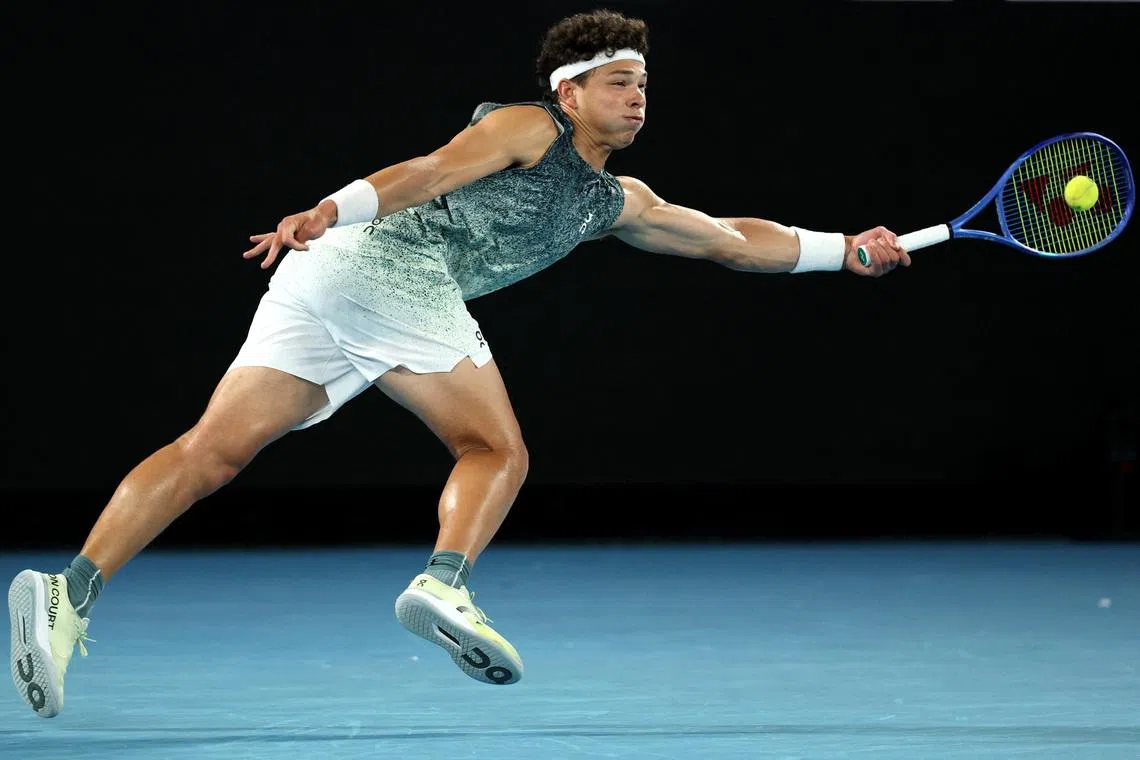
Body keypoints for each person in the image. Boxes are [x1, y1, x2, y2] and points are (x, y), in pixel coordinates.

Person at [8, 9, 910, 718]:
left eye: (645, 86)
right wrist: (334, 206)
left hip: (330, 285)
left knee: (212, 452)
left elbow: (726, 241)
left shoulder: (614, 199)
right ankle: (444, 586)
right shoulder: (527, 127)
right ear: (573, 89)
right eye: (621, 82)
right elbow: (432, 170)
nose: (639, 99)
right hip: (381, 263)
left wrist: (844, 249)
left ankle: (68, 591)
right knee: (497, 451)